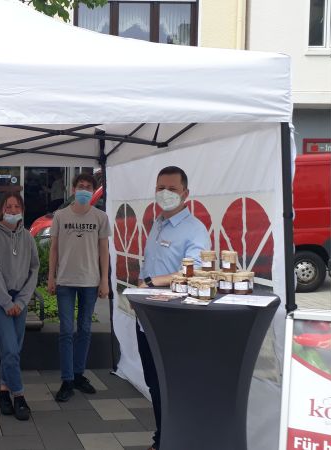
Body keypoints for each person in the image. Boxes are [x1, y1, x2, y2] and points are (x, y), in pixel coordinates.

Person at [137, 166, 210, 450]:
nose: (165, 194)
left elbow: (197, 271)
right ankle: (162, 437)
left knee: (171, 386)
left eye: (172, 189)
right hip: (147, 317)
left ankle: (173, 440)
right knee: (154, 384)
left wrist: (153, 281)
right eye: (160, 188)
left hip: (173, 320)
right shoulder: (157, 223)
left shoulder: (195, 229)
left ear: (186, 194)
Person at [47, 173, 111, 402]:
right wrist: (51, 277)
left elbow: (104, 250)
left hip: (90, 281)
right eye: (80, 186)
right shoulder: (60, 216)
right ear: (73, 189)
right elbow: (53, 248)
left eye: (88, 187)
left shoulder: (100, 217)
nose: (83, 189)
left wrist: (105, 280)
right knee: (65, 331)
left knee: (84, 329)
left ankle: (78, 374)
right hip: (65, 280)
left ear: (92, 191)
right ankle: (66, 380)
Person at [0, 193, 39, 421]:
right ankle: (20, 396)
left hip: (19, 299)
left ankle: (4, 392)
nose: (13, 210)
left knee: (11, 348)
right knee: (11, 349)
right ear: (1, 209)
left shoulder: (27, 236)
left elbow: (35, 269)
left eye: (17, 206)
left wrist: (21, 301)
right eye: (9, 206)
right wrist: (6, 302)